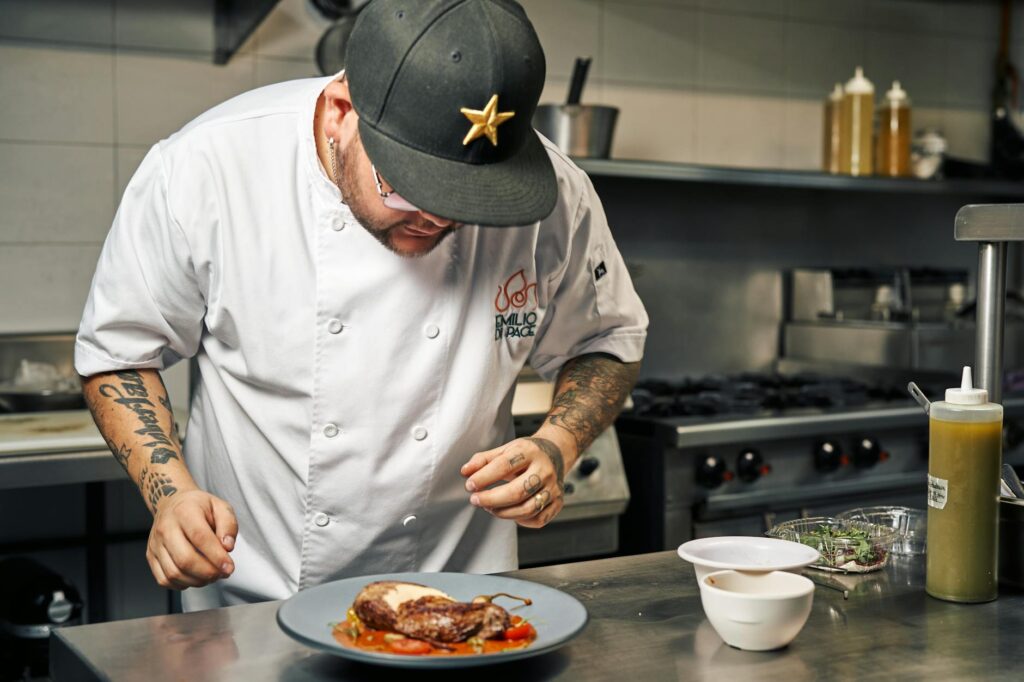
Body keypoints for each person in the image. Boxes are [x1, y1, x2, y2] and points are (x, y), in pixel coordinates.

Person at [76, 0, 647, 611]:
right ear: (341, 111)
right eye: (406, 187)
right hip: (254, 598)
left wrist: (556, 445)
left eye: (472, 200)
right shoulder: (207, 167)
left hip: (462, 591)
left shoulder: (556, 194)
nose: (438, 218)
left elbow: (605, 340)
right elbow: (121, 350)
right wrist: (169, 491)